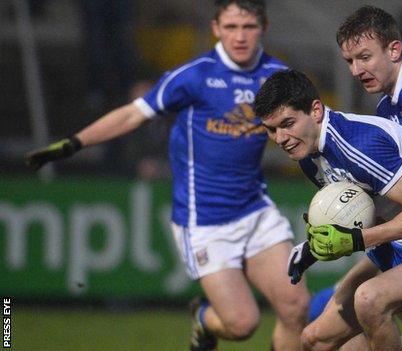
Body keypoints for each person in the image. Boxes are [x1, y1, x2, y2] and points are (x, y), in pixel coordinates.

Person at [24, 1, 310, 350]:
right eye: (231, 27)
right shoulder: (194, 75)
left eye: (248, 27)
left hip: (255, 210)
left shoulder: (277, 77)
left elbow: (309, 128)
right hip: (203, 219)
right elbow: (133, 115)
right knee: (242, 324)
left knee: (296, 307)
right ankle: (203, 320)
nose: (240, 36)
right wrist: (73, 143)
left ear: (263, 27)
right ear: (216, 28)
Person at [255, 68, 402, 351]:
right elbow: (362, 212)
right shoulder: (309, 156)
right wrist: (314, 246)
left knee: (371, 299)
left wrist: (355, 240)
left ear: (316, 110)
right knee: (313, 340)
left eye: (288, 123)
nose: (281, 137)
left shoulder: (359, 144)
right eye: (271, 129)